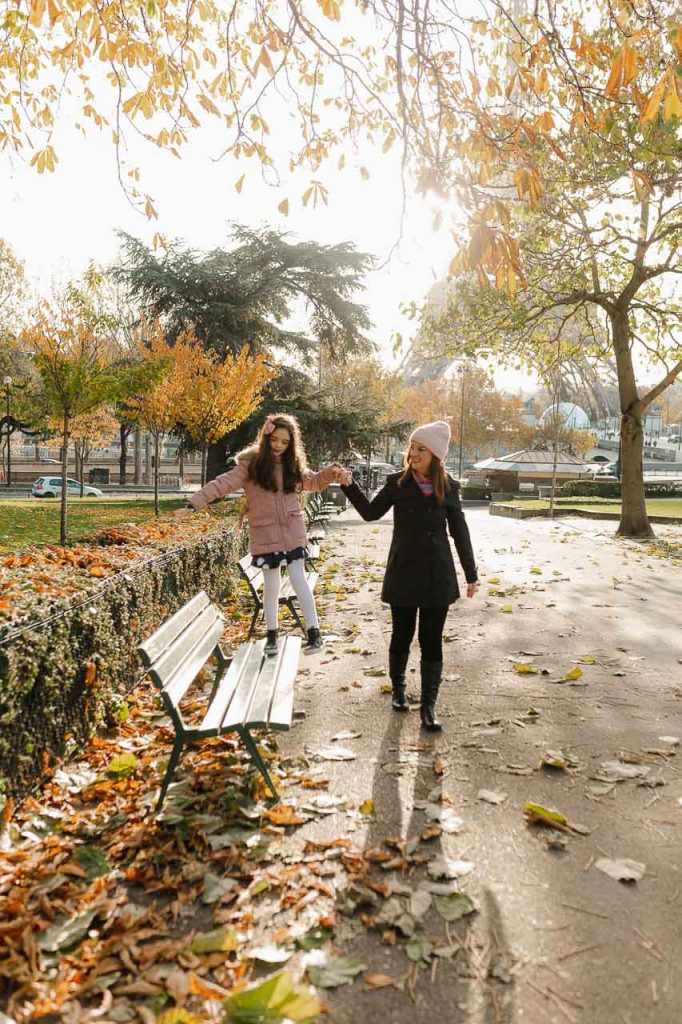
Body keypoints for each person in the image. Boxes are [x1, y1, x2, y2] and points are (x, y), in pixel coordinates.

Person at [339, 420, 479, 731]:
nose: (413, 453)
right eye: (412, 448)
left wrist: (471, 573)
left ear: (435, 455)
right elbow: (369, 513)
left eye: (421, 449)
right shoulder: (396, 484)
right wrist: (348, 484)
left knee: (431, 640)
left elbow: (460, 532)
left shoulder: (450, 488)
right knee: (402, 635)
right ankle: (399, 691)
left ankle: (429, 706)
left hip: (436, 574)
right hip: (403, 570)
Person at [176, 413, 345, 653]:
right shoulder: (251, 465)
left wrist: (331, 472)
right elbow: (221, 484)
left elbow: (314, 482)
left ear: (291, 444)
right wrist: (193, 504)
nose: (278, 445)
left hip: (292, 530)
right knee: (272, 584)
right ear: (266, 437)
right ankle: (272, 635)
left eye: (284, 442)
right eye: (275, 439)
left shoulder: (293, 465)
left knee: (299, 578)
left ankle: (314, 632)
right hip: (265, 533)